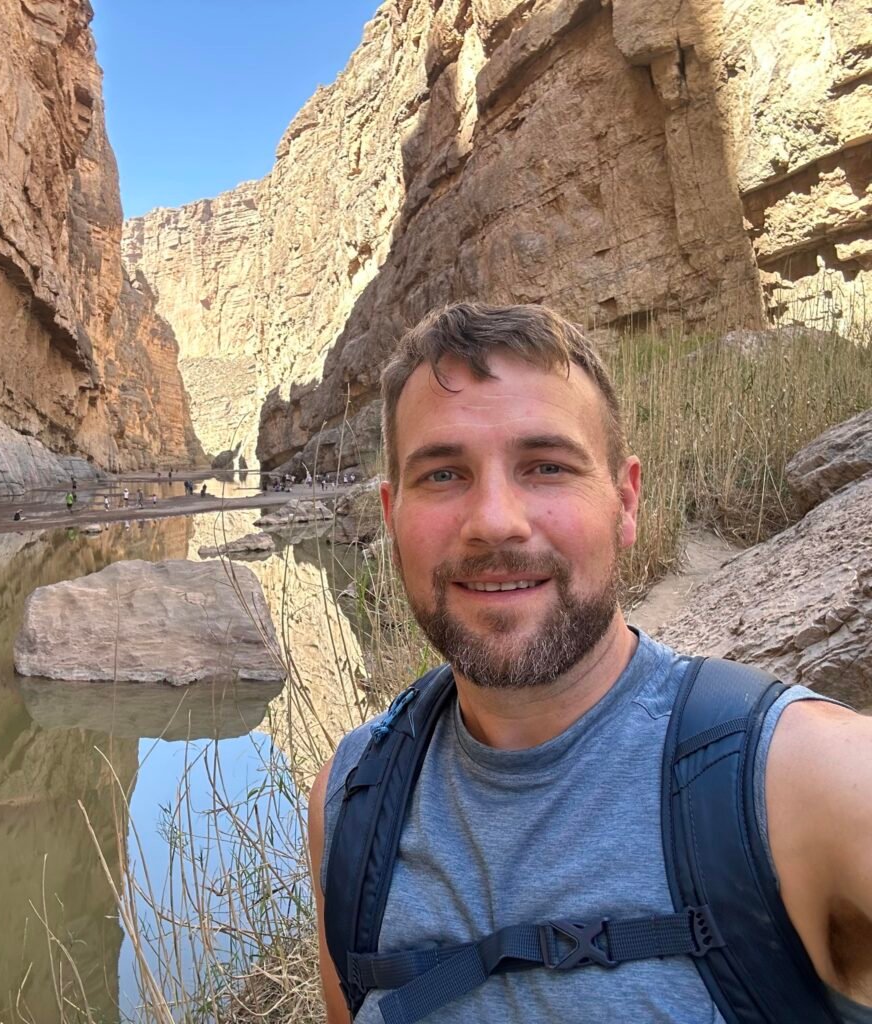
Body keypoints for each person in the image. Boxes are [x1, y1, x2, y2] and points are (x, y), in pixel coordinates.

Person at [309, 304, 872, 1024]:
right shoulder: (350, 803)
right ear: (391, 515)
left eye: (546, 466)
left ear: (625, 500)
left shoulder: (806, 781)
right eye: (444, 474)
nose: (495, 521)